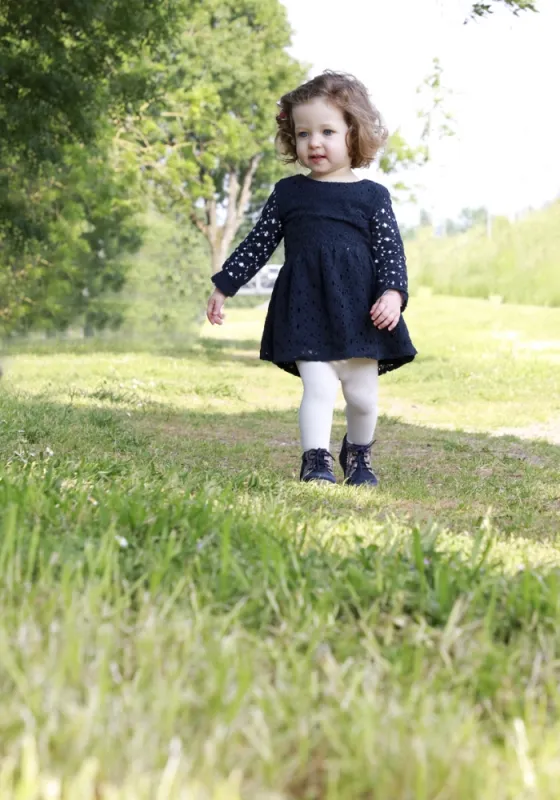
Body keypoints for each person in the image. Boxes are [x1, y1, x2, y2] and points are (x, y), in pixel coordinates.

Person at [206, 71, 417, 487]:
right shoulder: (289, 193)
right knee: (318, 389)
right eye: (304, 134)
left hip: (361, 313)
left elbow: (391, 252)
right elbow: (257, 244)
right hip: (305, 308)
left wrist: (393, 293)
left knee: (362, 397)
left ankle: (357, 454)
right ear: (292, 139)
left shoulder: (372, 197)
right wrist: (224, 285)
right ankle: (315, 460)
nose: (314, 143)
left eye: (327, 131)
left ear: (353, 134)